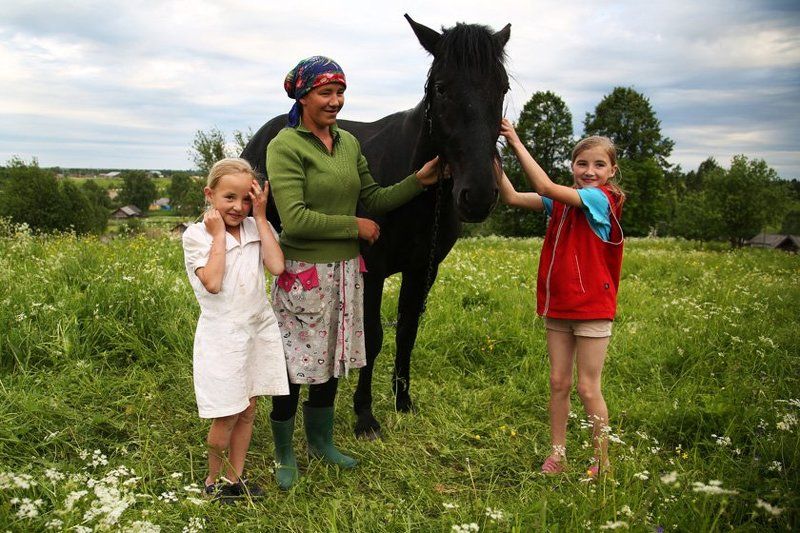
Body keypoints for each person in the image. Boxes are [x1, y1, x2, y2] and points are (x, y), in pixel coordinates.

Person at [265, 56, 440, 490]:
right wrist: (353, 226)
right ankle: (285, 452)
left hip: (345, 271)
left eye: (340, 92)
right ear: (302, 96)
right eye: (326, 93)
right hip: (302, 273)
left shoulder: (346, 144)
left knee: (331, 358)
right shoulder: (285, 146)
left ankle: (321, 442)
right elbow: (296, 219)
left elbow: (375, 199)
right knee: (294, 366)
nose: (336, 101)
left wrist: (418, 180)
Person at [498, 118, 625, 477]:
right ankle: (558, 454)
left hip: (592, 309)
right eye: (582, 164)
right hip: (559, 307)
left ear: (612, 170)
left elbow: (543, 185)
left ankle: (602, 462)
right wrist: (491, 156)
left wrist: (514, 139)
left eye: (599, 164)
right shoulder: (563, 205)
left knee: (587, 387)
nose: (589, 171)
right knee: (558, 382)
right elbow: (510, 196)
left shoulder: (603, 200)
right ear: (573, 166)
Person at [182, 157, 290, 500]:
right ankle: (212, 482)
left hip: (257, 329)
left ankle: (234, 478)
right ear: (210, 194)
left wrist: (260, 217)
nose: (238, 207)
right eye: (230, 197)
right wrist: (217, 237)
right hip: (223, 335)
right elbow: (212, 282)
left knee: (248, 408)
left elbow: (276, 266)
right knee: (226, 414)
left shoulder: (255, 227)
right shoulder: (197, 235)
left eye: (247, 199)